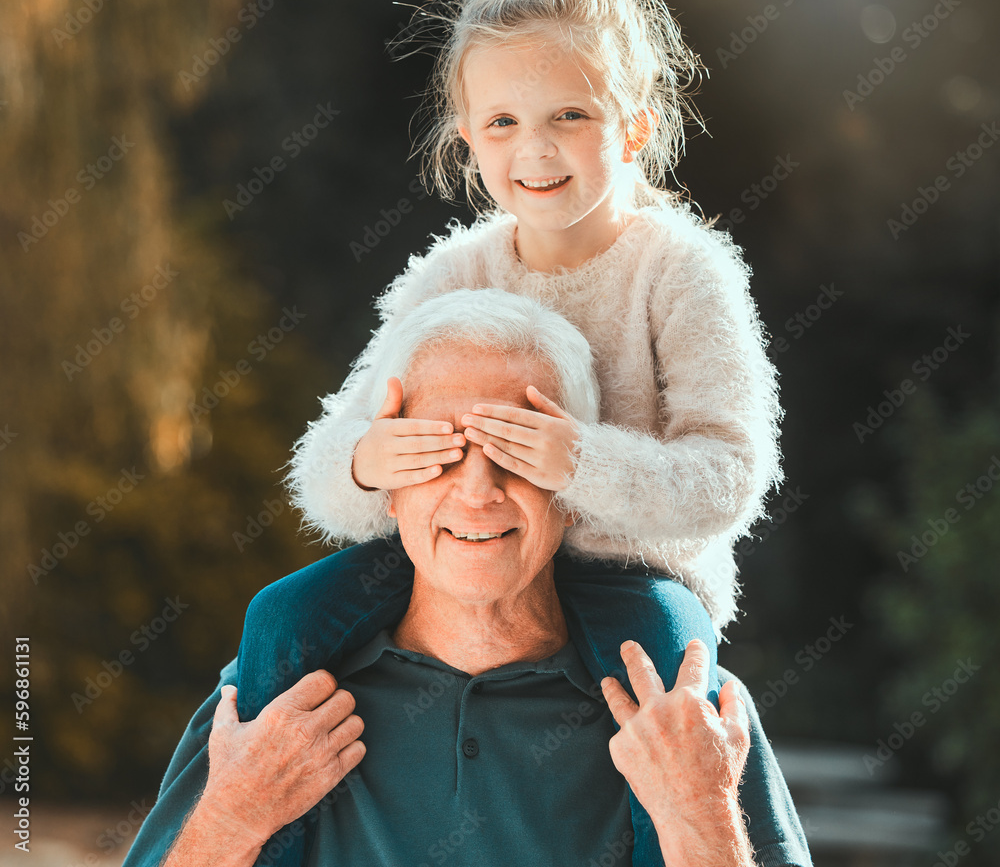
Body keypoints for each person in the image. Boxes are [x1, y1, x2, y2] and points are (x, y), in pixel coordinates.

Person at [123, 290, 810, 867]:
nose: (477, 491)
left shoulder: (690, 713)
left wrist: (702, 816)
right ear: (389, 485)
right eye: (439, 451)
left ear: (574, 488)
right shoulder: (271, 700)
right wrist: (232, 818)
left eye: (516, 448)